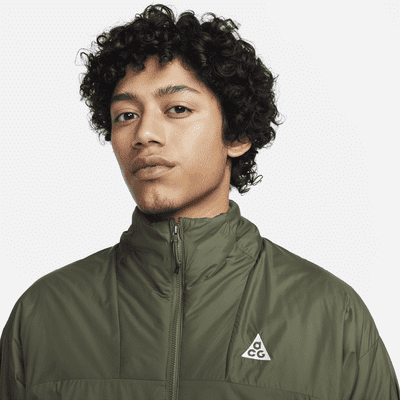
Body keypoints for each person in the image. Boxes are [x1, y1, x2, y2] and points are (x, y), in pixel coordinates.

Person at [0, 3, 398, 399]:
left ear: (236, 135)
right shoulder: (43, 314)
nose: (144, 134)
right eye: (126, 115)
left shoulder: (330, 314)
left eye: (177, 109)